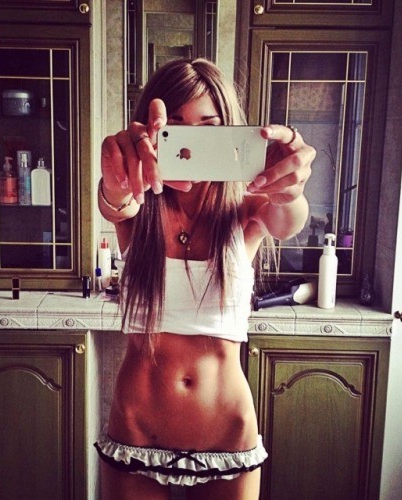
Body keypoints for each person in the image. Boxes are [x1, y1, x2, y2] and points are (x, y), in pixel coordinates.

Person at [95, 58, 315, 500]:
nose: (189, 144)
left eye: (207, 128)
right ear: (151, 133)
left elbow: (287, 221)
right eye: (175, 127)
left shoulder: (247, 206)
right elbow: (114, 202)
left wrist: (290, 190)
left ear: (227, 132)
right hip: (135, 435)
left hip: (227, 440)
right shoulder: (139, 206)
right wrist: (116, 179)